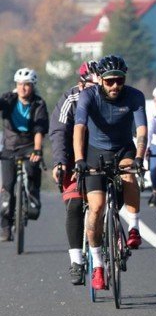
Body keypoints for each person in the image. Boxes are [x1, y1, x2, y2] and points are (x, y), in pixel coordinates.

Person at [73, 55, 147, 289]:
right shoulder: (88, 96)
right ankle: (97, 265)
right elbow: (79, 128)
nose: (115, 86)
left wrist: (139, 157)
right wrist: (79, 159)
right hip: (95, 152)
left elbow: (142, 130)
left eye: (119, 80)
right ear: (100, 80)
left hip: (124, 148)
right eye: (109, 81)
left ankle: (134, 228)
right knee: (96, 208)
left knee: (128, 173)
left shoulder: (134, 96)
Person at [50, 61, 97, 284]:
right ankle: (77, 261)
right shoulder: (70, 99)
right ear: (81, 84)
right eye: (92, 86)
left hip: (100, 155)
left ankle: (112, 232)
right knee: (75, 205)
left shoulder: (109, 97)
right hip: (72, 157)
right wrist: (60, 162)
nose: (97, 90)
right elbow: (58, 131)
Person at [0, 68, 48, 241]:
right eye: (20, 84)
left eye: (27, 84)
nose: (23, 88)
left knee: (32, 169)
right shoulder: (8, 99)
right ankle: (5, 227)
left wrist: (37, 150)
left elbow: (39, 129)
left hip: (29, 146)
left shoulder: (38, 103)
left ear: (33, 86)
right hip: (10, 146)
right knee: (7, 185)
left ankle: (33, 199)